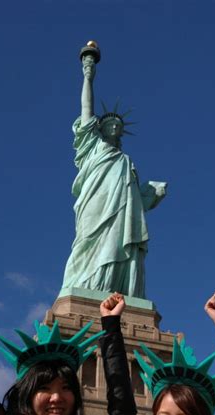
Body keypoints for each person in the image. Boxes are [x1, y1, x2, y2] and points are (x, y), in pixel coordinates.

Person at [61, 49, 166, 299]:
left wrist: (149, 193)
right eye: (110, 124)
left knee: (120, 242)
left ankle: (117, 291)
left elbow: (132, 198)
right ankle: (85, 288)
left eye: (118, 126)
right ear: (100, 128)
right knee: (86, 242)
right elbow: (87, 107)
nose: (115, 127)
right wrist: (88, 75)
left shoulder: (125, 160)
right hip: (95, 204)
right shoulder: (92, 147)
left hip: (122, 212)